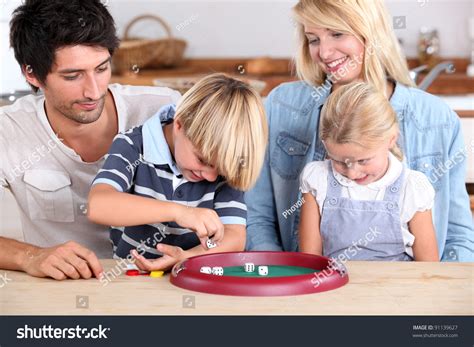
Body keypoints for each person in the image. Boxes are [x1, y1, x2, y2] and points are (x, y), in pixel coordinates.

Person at [245, 0, 473, 261]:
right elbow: (257, 215)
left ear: (371, 33)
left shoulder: (436, 119)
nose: (325, 53)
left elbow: (458, 235)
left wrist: (438, 291)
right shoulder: (281, 106)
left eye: (337, 33)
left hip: (409, 293)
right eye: (313, 39)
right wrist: (279, 275)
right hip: (309, 289)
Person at [0, 0, 181, 280]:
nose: (93, 91)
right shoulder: (9, 129)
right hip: (61, 291)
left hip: (158, 284)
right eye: (73, 76)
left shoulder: (163, 110)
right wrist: (30, 256)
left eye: (101, 68)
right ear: (31, 74)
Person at [87, 73, 268, 271]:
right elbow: (99, 205)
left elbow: (235, 235)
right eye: (202, 160)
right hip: (127, 278)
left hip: (193, 275)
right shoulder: (133, 146)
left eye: (220, 170)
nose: (211, 177)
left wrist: (187, 257)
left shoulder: (225, 163)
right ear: (180, 124)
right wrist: (180, 212)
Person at [299, 82, 438, 261]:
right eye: (339, 161)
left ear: (391, 140)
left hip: (399, 287)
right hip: (336, 287)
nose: (352, 173)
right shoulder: (318, 179)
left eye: (363, 161)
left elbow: (429, 267)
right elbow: (310, 260)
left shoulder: (411, 187)